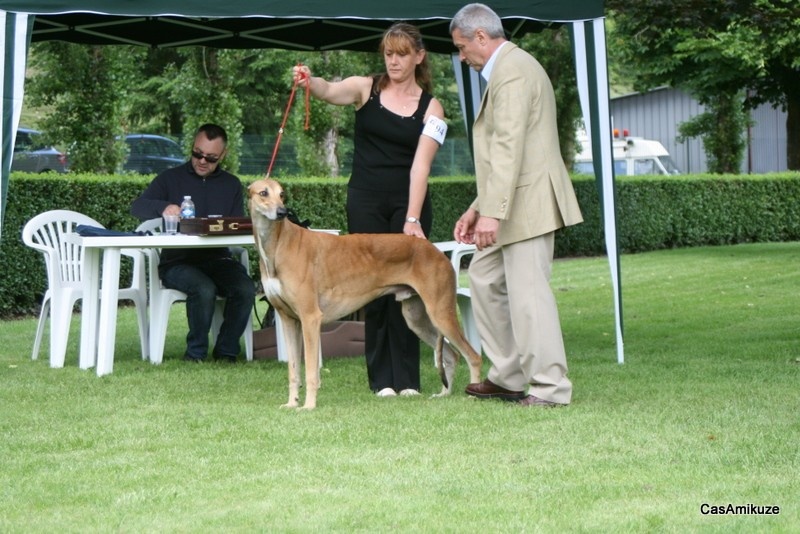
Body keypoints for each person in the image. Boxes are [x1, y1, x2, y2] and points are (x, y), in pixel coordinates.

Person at [292, 22, 447, 398]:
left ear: (419, 57)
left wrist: (412, 217)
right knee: (370, 289)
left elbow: (421, 166)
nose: (393, 61)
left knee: (410, 290)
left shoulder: (432, 106)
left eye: (402, 54)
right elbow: (330, 90)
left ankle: (408, 380)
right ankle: (381, 381)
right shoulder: (366, 88)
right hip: (364, 200)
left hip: (409, 203)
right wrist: (310, 81)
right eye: (389, 53)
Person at [449, 4, 584, 407]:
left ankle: (550, 388)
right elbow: (506, 152)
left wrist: (492, 213)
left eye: (461, 47)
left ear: (480, 36)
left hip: (528, 203)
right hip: (513, 200)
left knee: (529, 296)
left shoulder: (512, 71)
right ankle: (508, 376)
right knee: (484, 278)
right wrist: (479, 206)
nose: (461, 56)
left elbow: (509, 146)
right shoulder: (509, 69)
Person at [131, 123, 255, 363]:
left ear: (223, 155)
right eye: (197, 154)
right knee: (204, 288)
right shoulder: (170, 178)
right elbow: (137, 206)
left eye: (211, 158)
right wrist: (163, 207)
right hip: (178, 261)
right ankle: (195, 354)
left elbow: (235, 224)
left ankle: (226, 352)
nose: (202, 161)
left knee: (245, 288)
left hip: (218, 259)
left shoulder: (231, 184)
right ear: (192, 147)